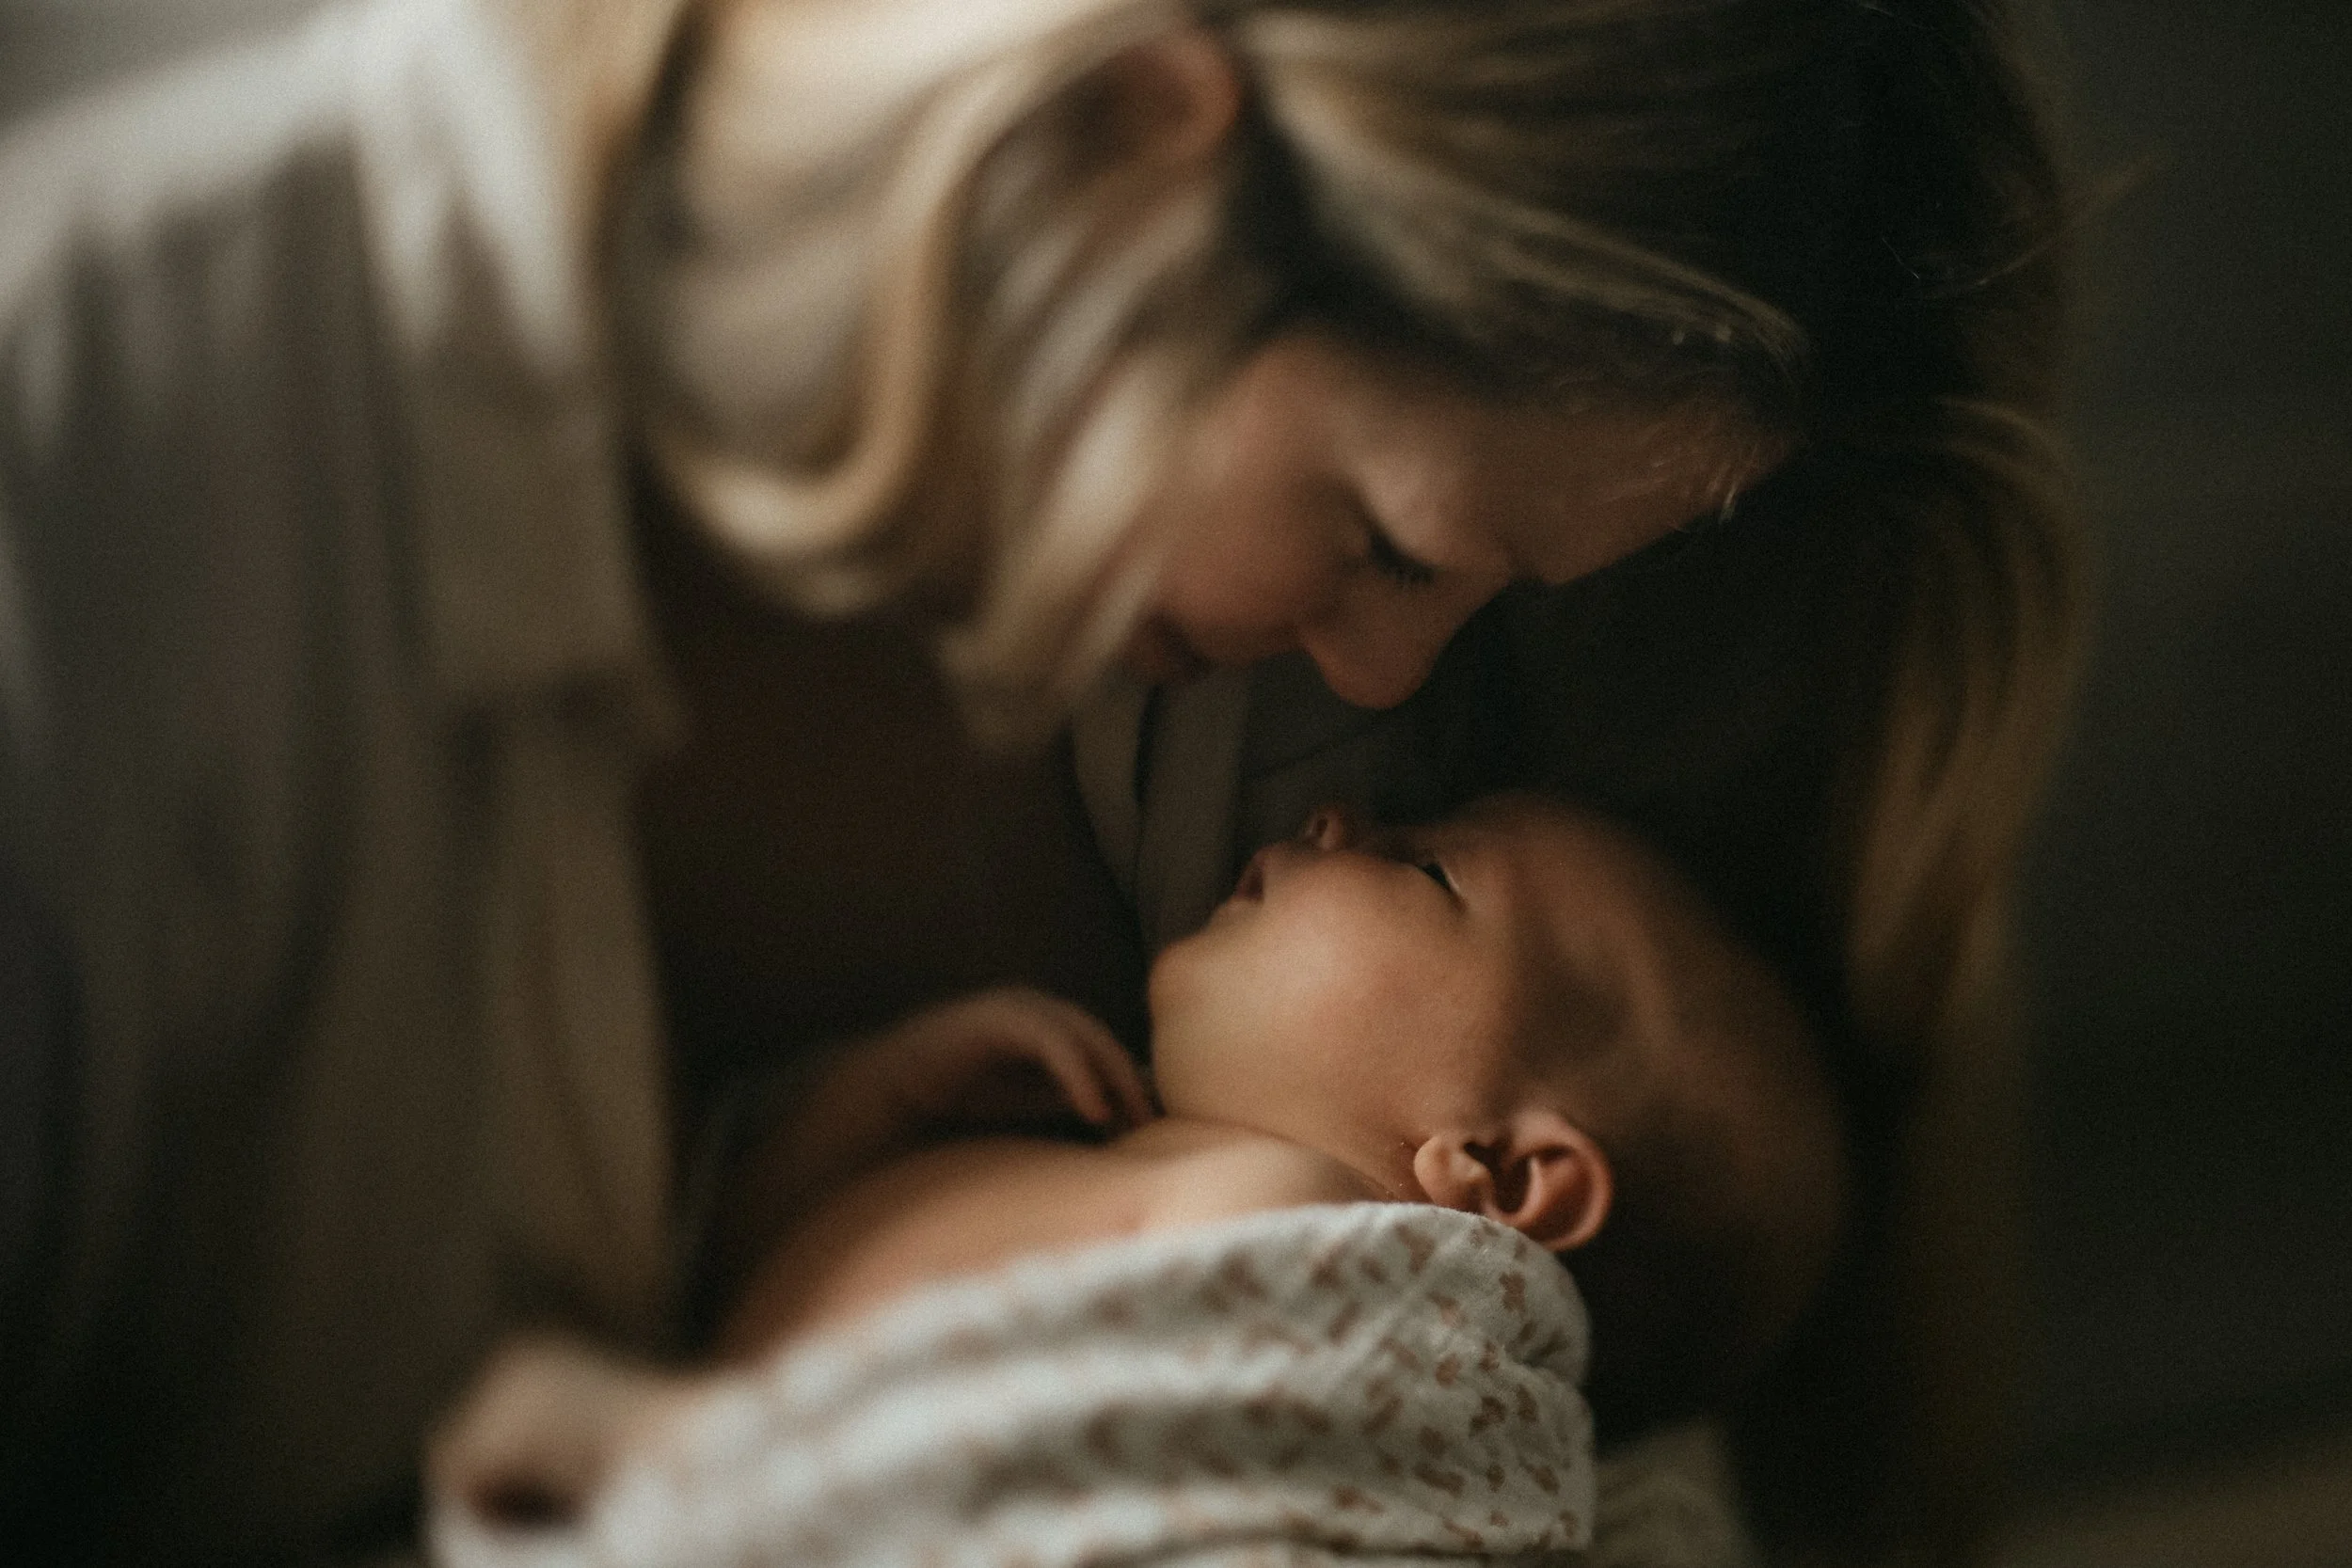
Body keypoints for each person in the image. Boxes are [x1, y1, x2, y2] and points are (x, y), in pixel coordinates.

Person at [0, 0, 2079, 1561]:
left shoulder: (1347, 771)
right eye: (1381, 538)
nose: (1372, 679)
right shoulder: (104, 466)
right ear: (1114, 141)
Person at [429, 792, 1844, 1543]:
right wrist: (865, 1114)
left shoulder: (1317, 1248)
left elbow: (1027, 1483)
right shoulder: (1152, 1189)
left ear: (1498, 1176)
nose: (1340, 813)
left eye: (1426, 869)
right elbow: (743, 1290)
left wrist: (667, 1460)